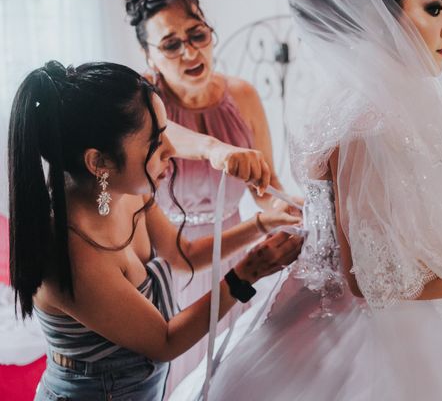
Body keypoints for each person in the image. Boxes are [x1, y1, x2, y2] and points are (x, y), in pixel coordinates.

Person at [173, 0, 442, 400]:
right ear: (380, 16)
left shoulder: (350, 103)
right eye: (435, 9)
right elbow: (373, 280)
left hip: (320, 312)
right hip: (358, 338)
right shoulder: (372, 120)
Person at [8, 60, 303, 400]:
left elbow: (183, 256)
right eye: (156, 141)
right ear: (98, 162)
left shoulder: (128, 195)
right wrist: (249, 271)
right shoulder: (70, 257)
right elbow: (165, 341)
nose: (171, 152)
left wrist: (264, 222)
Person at [124, 0, 301, 391]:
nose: (190, 51)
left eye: (197, 34)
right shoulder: (139, 100)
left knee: (236, 377)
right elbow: (166, 134)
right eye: (170, 44)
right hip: (172, 260)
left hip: (236, 248)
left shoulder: (243, 95)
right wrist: (213, 148)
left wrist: (285, 206)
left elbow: (263, 184)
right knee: (182, 379)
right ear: (148, 54)